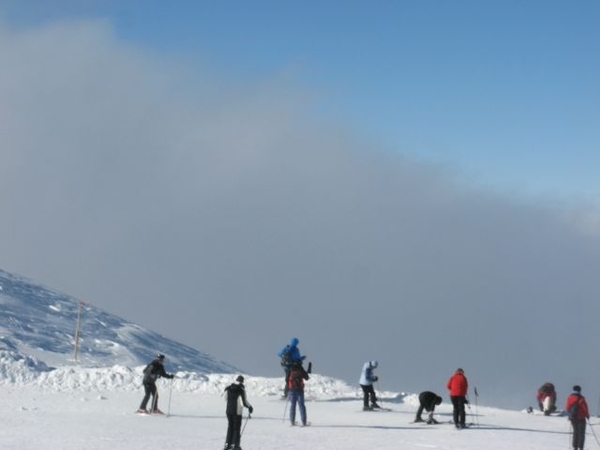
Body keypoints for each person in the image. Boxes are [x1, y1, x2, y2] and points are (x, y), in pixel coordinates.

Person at [224, 375, 254, 450]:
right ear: (242, 381)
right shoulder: (241, 389)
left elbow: (225, 398)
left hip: (228, 411)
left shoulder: (229, 388)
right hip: (237, 412)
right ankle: (235, 445)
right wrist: (250, 407)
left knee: (230, 427)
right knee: (236, 428)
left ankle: (227, 444)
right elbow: (243, 402)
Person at [565, 385, 589, 450]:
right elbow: (584, 407)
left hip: (573, 418)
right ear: (579, 390)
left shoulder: (570, 397)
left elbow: (567, 407)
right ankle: (580, 447)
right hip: (581, 417)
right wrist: (587, 415)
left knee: (575, 432)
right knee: (581, 433)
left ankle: (574, 447)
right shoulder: (581, 398)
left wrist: (570, 415)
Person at [287, 361, 310, 426]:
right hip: (300, 390)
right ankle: (304, 421)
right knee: (301, 405)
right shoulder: (300, 368)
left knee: (292, 405)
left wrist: (288, 387)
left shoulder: (290, 368)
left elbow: (286, 379)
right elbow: (307, 378)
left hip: (292, 390)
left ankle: (292, 421)